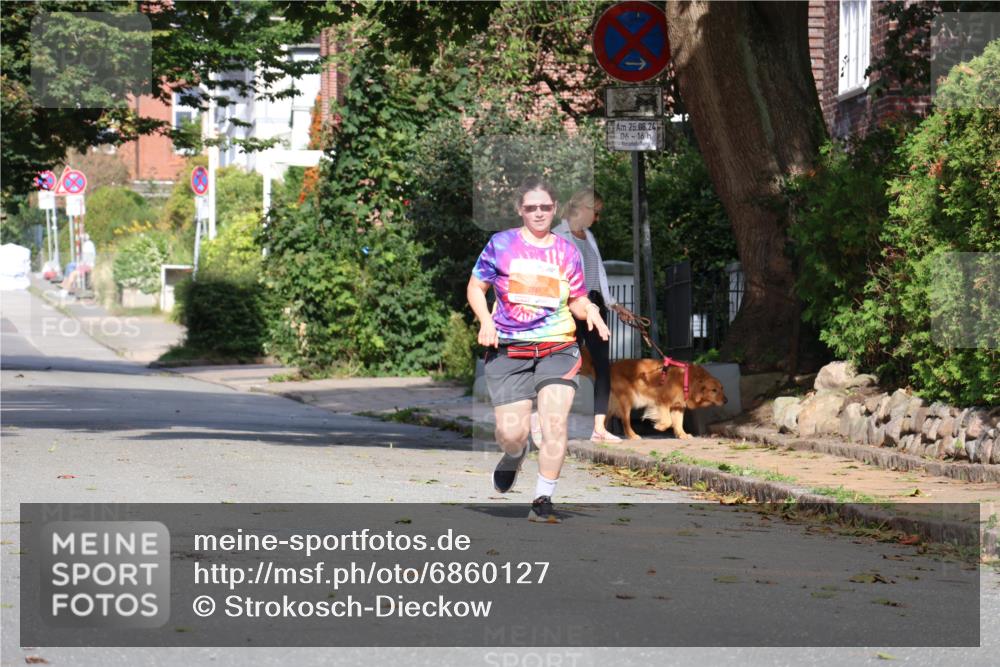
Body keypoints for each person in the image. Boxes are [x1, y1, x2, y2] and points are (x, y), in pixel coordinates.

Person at [467, 177, 610, 523]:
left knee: (554, 423)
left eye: (545, 207)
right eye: (531, 207)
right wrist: (485, 320)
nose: (539, 213)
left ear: (554, 209)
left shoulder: (566, 251)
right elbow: (475, 286)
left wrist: (589, 310)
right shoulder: (501, 244)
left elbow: (576, 297)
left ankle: (542, 498)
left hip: (558, 348)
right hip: (509, 351)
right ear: (521, 209)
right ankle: (515, 455)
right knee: (512, 434)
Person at [552, 189, 627, 442]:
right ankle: (555, 424)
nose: (597, 218)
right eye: (596, 212)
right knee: (566, 364)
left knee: (602, 365)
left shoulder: (590, 236)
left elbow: (599, 276)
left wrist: (614, 304)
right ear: (583, 209)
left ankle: (599, 429)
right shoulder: (557, 236)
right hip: (570, 306)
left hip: (595, 306)